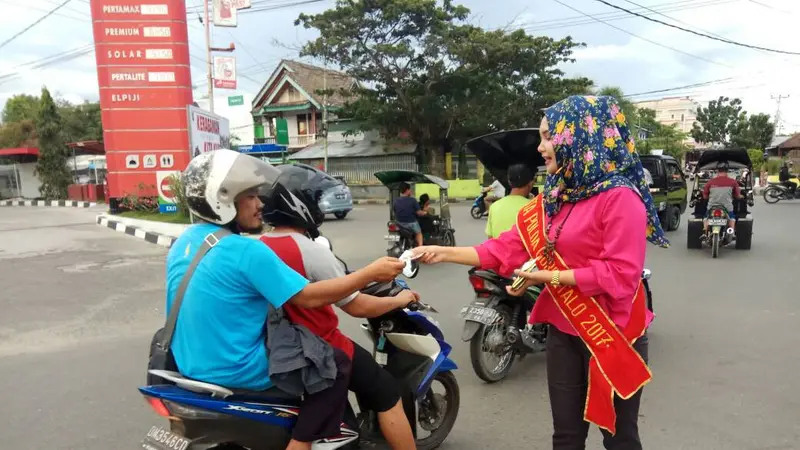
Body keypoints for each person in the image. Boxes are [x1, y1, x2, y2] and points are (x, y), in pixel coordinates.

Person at [411, 96, 669, 450]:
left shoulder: (619, 198)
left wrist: (547, 279)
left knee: (620, 439)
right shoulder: (555, 198)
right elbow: (505, 248)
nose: (540, 146)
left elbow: (620, 275)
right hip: (564, 331)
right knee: (565, 437)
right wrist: (444, 252)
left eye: (548, 137)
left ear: (578, 138)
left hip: (614, 332)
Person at [165, 149, 406, 450]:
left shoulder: (185, 242)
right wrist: (371, 272)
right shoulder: (245, 251)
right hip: (237, 367)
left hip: (187, 363)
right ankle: (301, 443)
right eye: (250, 196)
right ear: (223, 200)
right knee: (336, 365)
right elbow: (308, 297)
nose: (259, 204)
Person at [260, 164, 418, 450]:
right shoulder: (310, 249)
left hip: (279, 347)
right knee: (387, 391)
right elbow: (356, 305)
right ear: (300, 203)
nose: (318, 204)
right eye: (314, 198)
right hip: (321, 345)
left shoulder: (258, 245)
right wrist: (399, 300)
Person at [485, 163, 535, 238]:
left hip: (497, 249)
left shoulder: (494, 207)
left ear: (509, 181)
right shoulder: (533, 207)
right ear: (531, 183)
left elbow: (490, 239)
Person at [702, 165, 742, 235]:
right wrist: (740, 196)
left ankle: (705, 232)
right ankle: (731, 232)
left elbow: (705, 196)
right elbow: (737, 196)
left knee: (705, 217)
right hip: (727, 207)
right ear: (727, 171)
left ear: (717, 171)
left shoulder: (710, 182)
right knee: (732, 218)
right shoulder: (733, 182)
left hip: (712, 207)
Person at [393, 182, 427, 247]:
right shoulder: (412, 200)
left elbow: (395, 211)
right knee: (419, 233)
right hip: (411, 223)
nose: (410, 191)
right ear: (407, 190)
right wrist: (425, 212)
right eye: (410, 190)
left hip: (399, 223)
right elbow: (419, 213)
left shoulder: (396, 200)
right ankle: (420, 249)